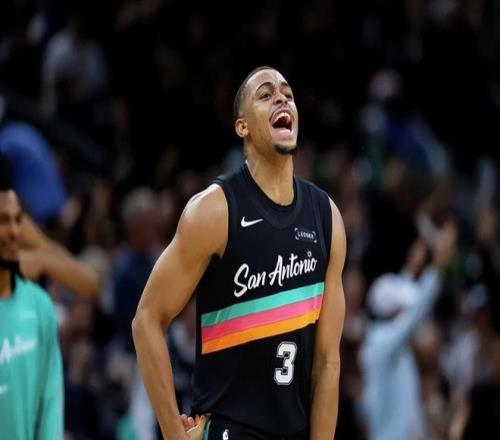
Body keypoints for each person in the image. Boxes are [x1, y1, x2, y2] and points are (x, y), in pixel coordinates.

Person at [132, 66, 346, 439]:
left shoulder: (326, 217)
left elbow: (327, 362)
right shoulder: (214, 211)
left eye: (288, 94)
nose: (282, 99)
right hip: (231, 429)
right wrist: (172, 431)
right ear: (242, 126)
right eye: (266, 94)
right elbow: (146, 320)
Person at [359, 224, 457, 440]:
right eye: (402, 311)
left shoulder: (392, 344)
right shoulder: (379, 342)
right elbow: (413, 315)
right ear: (393, 312)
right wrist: (437, 265)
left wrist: (413, 265)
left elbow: (407, 302)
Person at [0, 157, 64, 439]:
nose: (14, 231)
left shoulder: (39, 306)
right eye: (3, 221)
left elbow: (50, 403)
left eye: (18, 220)